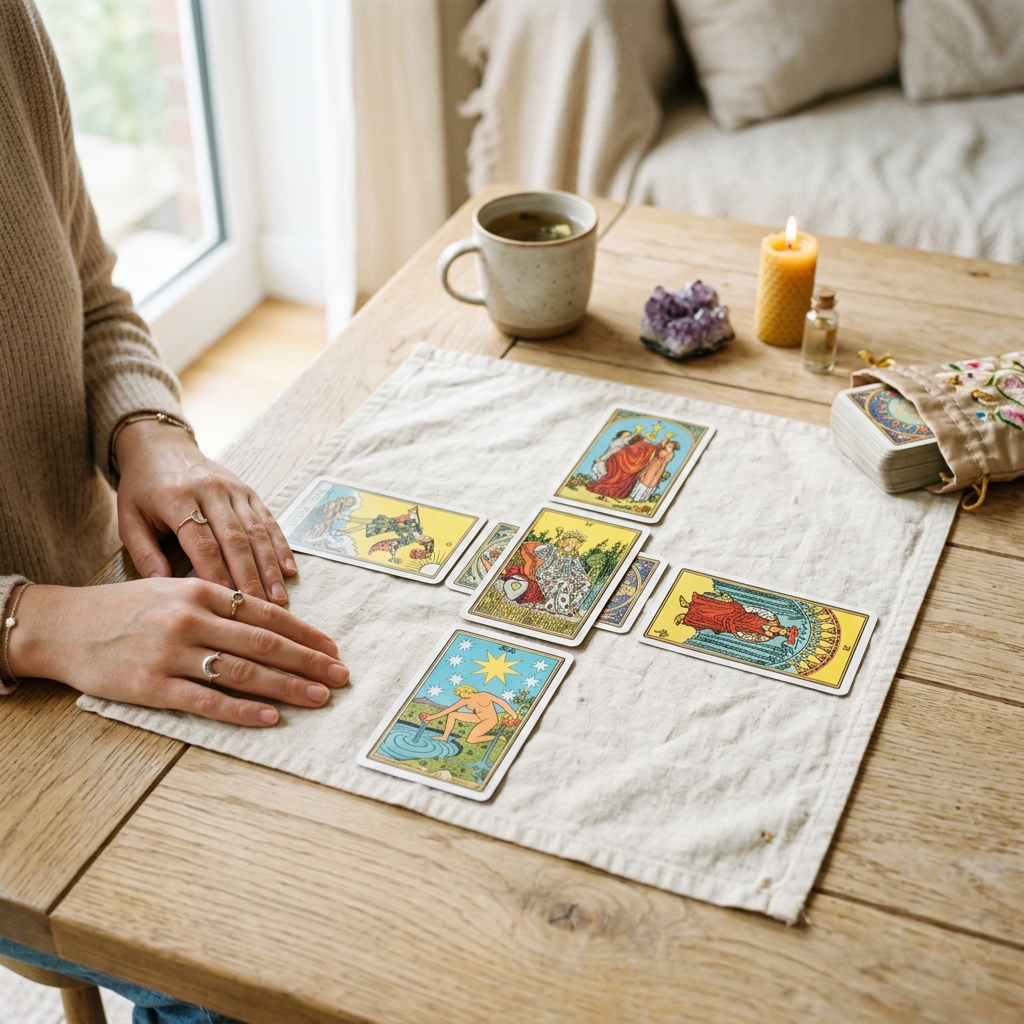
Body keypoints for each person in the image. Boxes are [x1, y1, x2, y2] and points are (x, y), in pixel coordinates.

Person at [0, 4, 348, 1021]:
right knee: (251, 958)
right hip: (38, 687)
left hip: (108, 608)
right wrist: (30, 621)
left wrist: (147, 427)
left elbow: (93, 296)